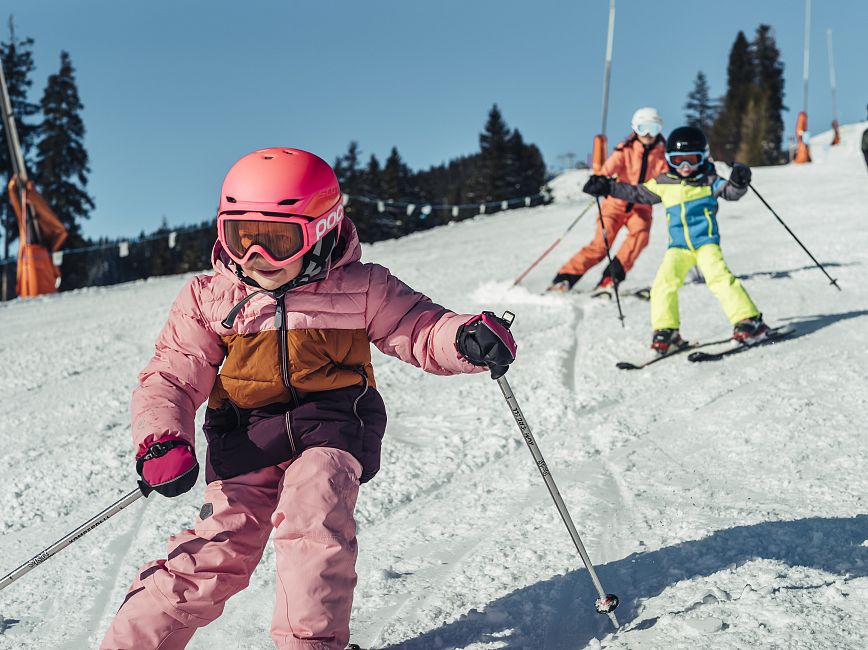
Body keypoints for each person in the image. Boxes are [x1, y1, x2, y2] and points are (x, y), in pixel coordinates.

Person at [100, 148, 517, 650]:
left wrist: (464, 337)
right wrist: (161, 438)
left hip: (332, 426)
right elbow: (172, 373)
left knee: (314, 515)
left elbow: (419, 326)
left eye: (276, 240)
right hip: (244, 440)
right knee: (211, 558)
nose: (255, 258)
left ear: (322, 228)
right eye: (241, 237)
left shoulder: (363, 287)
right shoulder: (211, 297)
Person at [582, 126, 770, 354]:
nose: (685, 167)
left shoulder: (709, 180)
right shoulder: (664, 182)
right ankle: (667, 330)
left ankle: (750, 321)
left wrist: (739, 182)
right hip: (678, 248)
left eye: (691, 160)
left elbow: (730, 192)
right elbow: (637, 193)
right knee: (662, 285)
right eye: (678, 160)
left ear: (703, 158)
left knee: (719, 278)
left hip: (705, 244)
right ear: (669, 159)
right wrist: (608, 186)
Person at [548, 107, 668, 293]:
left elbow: (666, 179)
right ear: (635, 129)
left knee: (640, 237)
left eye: (653, 128)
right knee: (600, 246)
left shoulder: (662, 156)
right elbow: (607, 170)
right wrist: (599, 181)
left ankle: (610, 278)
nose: (647, 134)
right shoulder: (625, 150)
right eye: (643, 128)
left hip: (641, 208)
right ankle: (564, 278)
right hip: (615, 205)